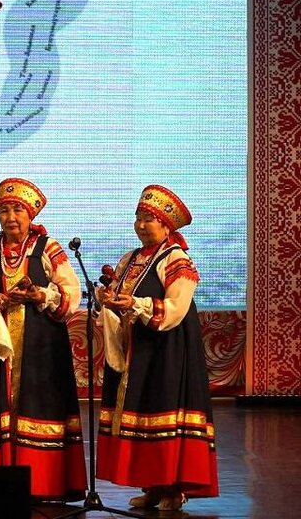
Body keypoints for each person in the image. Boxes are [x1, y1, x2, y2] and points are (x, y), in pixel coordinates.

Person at [0, 178, 85, 501]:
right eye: (5, 211)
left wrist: (40, 294)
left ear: (30, 215)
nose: (11, 217)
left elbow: (71, 293)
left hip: (41, 346)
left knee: (39, 403)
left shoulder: (48, 249)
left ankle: (42, 483)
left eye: (18, 210)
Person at [96, 185, 218, 511]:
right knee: (139, 414)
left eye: (148, 219)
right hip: (137, 348)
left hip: (167, 348)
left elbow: (176, 307)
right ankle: (150, 486)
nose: (140, 225)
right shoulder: (131, 258)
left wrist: (136, 304)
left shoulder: (176, 259)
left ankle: (173, 489)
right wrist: (107, 300)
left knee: (162, 412)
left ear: (166, 225)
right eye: (138, 218)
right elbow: (119, 296)